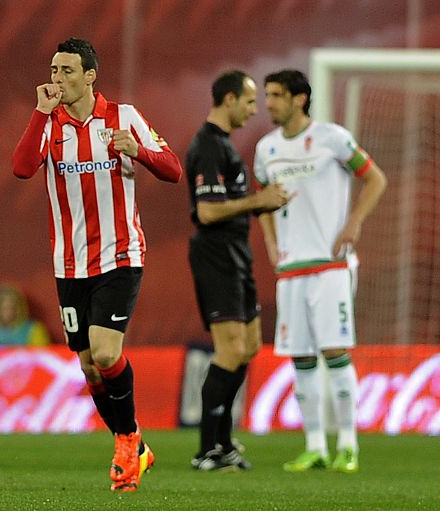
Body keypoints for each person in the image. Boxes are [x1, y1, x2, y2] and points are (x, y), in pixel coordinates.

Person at [11, 38, 183, 492]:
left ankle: (127, 440)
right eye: (53, 70)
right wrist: (38, 113)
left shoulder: (124, 118)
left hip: (119, 255)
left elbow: (173, 169)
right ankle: (136, 446)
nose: (57, 79)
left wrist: (138, 151)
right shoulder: (48, 124)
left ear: (90, 76)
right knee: (89, 367)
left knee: (106, 353)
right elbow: (22, 168)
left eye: (67, 71)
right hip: (69, 265)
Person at [254, 69, 387, 473]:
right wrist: (273, 243)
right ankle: (315, 446)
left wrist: (355, 221)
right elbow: (263, 200)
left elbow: (375, 179)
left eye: (276, 95)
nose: (269, 103)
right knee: (301, 359)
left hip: (331, 265)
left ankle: (348, 445)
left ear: (299, 99)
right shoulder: (266, 148)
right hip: (292, 268)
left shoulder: (333, 137)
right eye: (268, 95)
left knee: (335, 352)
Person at [185, 70, 291, 472]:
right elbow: (208, 211)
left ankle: (224, 441)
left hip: (236, 252)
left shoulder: (224, 146)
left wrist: (258, 204)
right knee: (229, 349)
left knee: (247, 347)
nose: (254, 109)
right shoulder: (208, 146)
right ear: (228, 100)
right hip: (216, 255)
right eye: (249, 101)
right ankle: (207, 448)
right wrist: (256, 202)